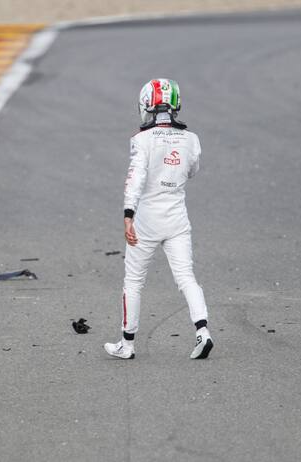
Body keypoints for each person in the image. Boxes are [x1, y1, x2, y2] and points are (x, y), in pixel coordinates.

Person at [104, 78, 213, 360]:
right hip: (177, 219)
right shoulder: (191, 139)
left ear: (146, 105)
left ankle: (127, 343)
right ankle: (203, 331)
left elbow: (135, 179)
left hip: (147, 222)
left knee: (134, 281)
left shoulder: (141, 140)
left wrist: (128, 216)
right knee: (187, 277)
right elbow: (192, 170)